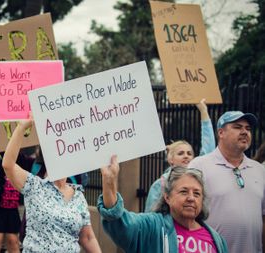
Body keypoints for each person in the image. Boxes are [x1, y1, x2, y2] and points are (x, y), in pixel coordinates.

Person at [2, 116, 101, 252]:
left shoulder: (78, 196)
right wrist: (21, 127)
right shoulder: (34, 186)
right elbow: (8, 164)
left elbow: (88, 237)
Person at [99, 155, 228, 252]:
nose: (191, 198)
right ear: (167, 197)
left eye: (197, 194)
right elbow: (119, 223)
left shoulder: (217, 240)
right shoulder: (151, 227)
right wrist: (109, 182)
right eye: (184, 192)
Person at [188, 111, 264, 252]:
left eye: (248, 129)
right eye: (237, 127)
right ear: (221, 133)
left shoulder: (260, 170)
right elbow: (186, 213)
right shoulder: (199, 166)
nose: (244, 132)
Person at [145, 99, 216, 211]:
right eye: (180, 153)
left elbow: (209, 148)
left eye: (189, 153)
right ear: (170, 159)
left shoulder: (197, 175)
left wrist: (203, 111)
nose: (186, 156)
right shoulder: (160, 184)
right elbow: (150, 214)